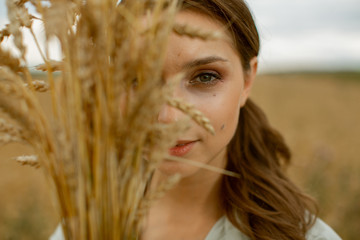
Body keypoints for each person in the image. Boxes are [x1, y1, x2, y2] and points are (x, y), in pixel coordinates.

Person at [50, 0, 342, 239]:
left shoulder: (302, 236)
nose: (168, 117)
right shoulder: (86, 225)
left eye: (205, 77)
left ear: (248, 80)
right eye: (137, 79)